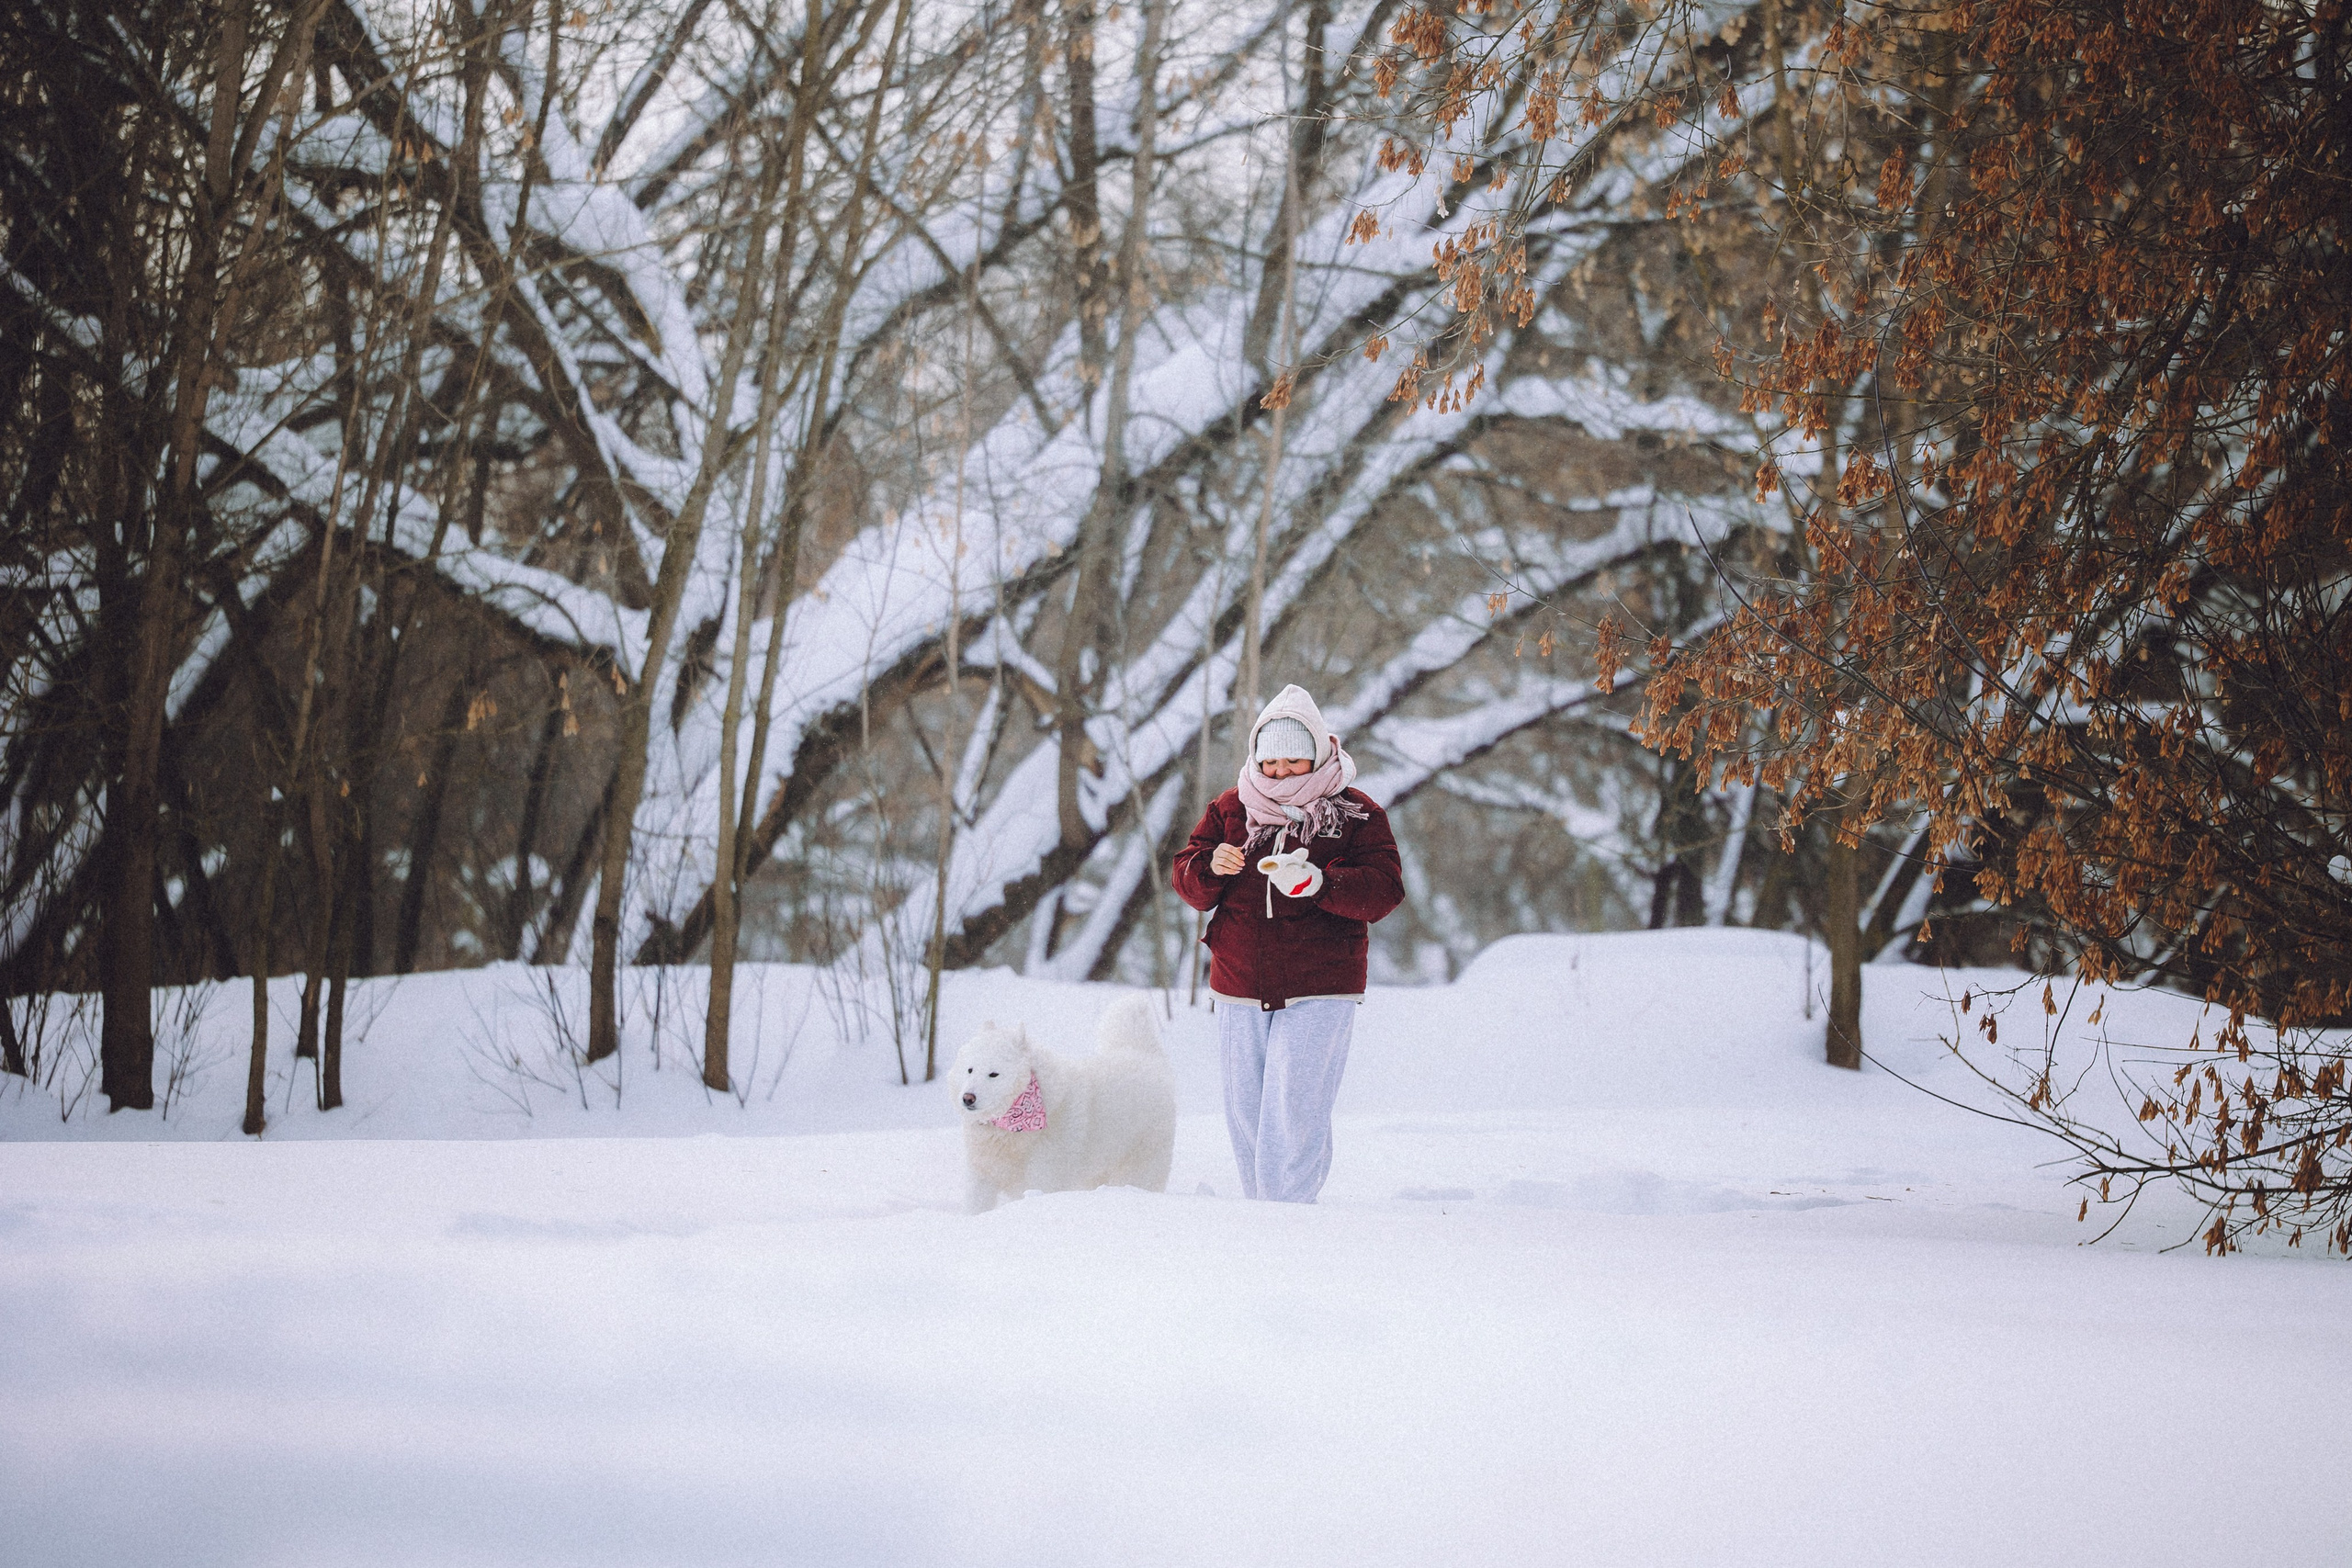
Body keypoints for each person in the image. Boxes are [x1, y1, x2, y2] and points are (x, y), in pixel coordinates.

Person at [1171, 684, 1403, 1202]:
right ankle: (1263, 1210)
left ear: (1318, 754)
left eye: (1294, 762)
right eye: (1270, 762)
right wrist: (1210, 867)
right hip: (1240, 980)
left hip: (1321, 982)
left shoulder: (1354, 813)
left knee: (1294, 1102)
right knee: (1247, 1106)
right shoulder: (1231, 808)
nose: (1279, 774)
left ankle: (1290, 1213)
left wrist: (1323, 883)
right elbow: (1186, 878)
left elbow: (1385, 889)